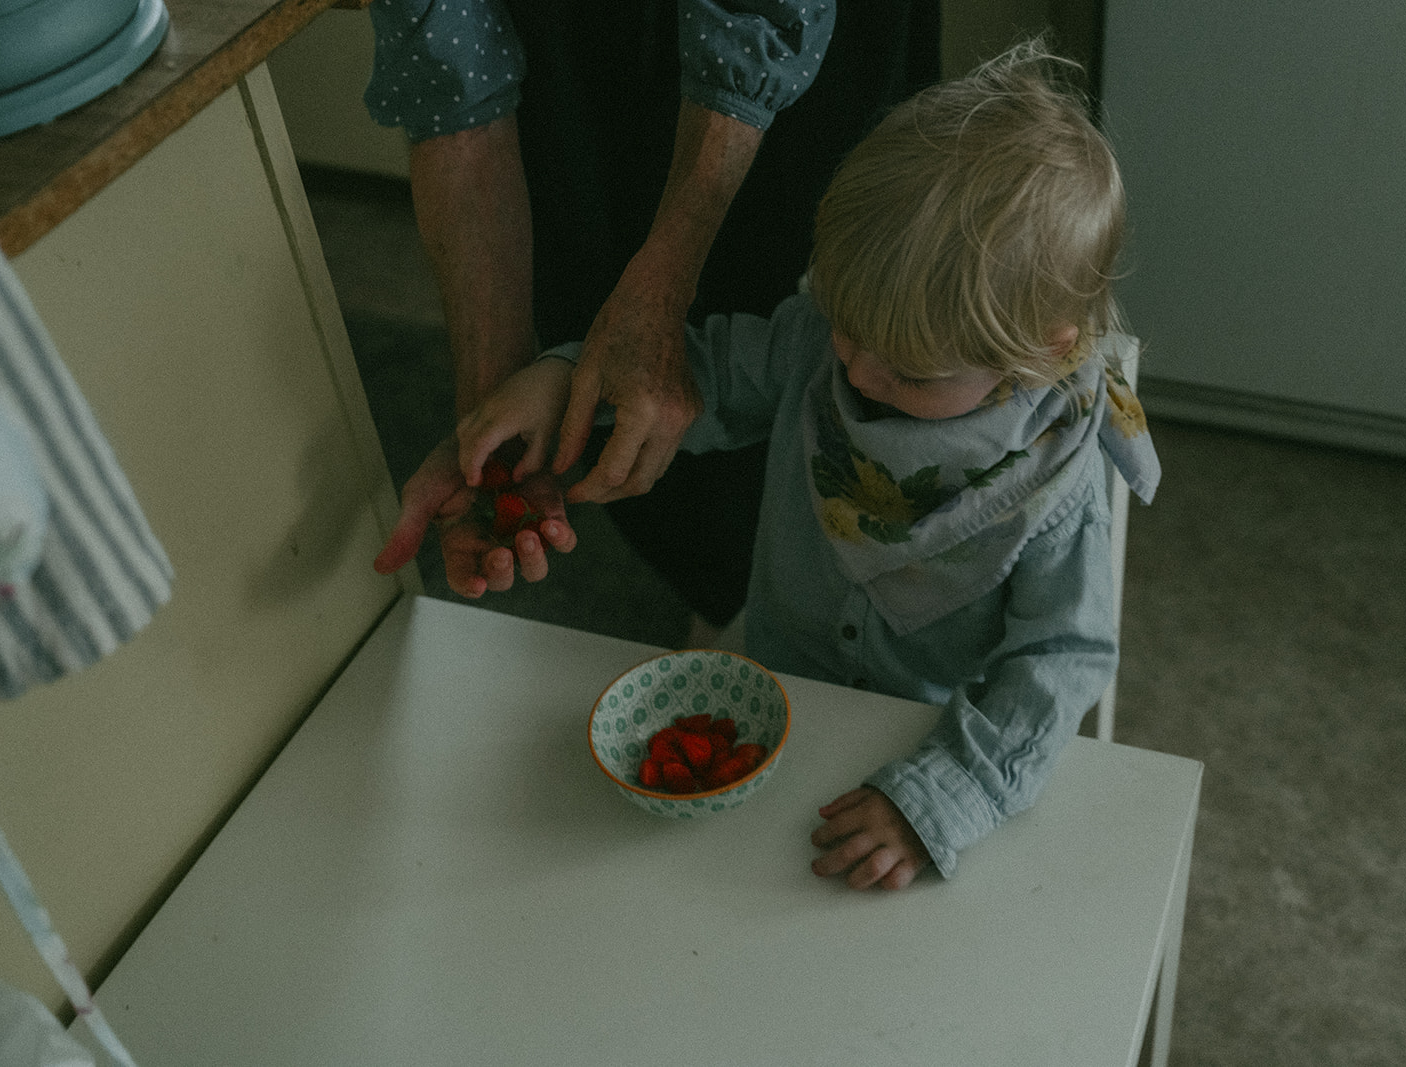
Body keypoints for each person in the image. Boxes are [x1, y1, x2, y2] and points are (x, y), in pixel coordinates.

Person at [451, 40, 1163, 889]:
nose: (854, 372)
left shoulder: (1057, 479)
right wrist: (565, 380)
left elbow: (1061, 657)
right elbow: (700, 378)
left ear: (1036, 357)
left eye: (908, 371)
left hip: (927, 735)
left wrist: (950, 790)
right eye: (845, 327)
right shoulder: (830, 340)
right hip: (774, 676)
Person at [365, 0, 941, 638]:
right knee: (634, 395)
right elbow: (451, 68)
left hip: (791, 32)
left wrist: (663, 295)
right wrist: (492, 420)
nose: (854, 370)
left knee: (787, 280)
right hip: (578, 46)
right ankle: (739, 608)